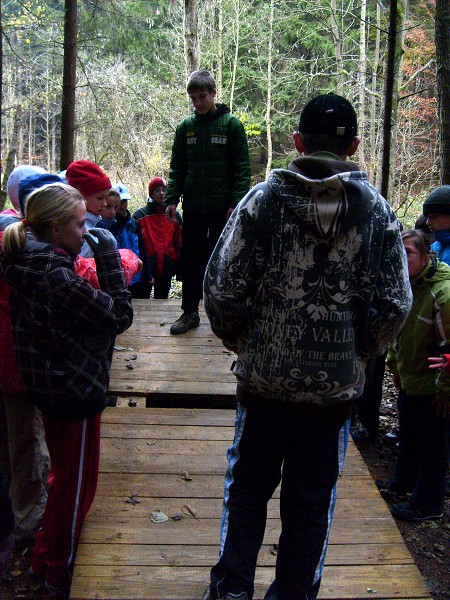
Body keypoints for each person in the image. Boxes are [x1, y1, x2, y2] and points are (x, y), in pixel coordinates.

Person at [202, 92, 412, 600]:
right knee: (312, 501)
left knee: (247, 489)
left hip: (264, 384)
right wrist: (359, 353)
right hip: (333, 394)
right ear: (355, 145)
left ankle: (231, 590)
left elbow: (222, 287)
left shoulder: (261, 202)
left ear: (297, 141)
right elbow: (396, 303)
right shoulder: (378, 214)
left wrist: (243, 342)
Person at [0, 183, 133, 599]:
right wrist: (108, 254)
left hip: (49, 384)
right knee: (75, 487)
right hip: (74, 391)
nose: (86, 231)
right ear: (55, 229)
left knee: (63, 480)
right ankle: (58, 571)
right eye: (79, 225)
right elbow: (120, 314)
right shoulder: (56, 277)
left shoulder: (24, 260)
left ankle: (44, 555)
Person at [165, 69, 251, 333]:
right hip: (193, 208)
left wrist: (235, 202)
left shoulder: (232, 125)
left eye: (202, 96)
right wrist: (171, 199)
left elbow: (241, 169)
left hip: (221, 211)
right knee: (190, 260)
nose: (198, 103)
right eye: (193, 98)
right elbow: (177, 167)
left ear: (213, 93)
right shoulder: (185, 128)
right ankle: (189, 313)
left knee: (222, 261)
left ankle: (221, 315)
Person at [379, 229, 449, 522]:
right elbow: (398, 330)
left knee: (434, 445)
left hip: (435, 388)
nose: (400, 259)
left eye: (407, 253)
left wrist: (446, 390)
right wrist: (395, 366)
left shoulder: (442, 294)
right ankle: (402, 483)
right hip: (411, 380)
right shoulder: (405, 285)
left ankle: (428, 505)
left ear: (425, 255)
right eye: (397, 252)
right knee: (409, 433)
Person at [133, 177, 182, 299]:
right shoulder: (140, 216)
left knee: (162, 301)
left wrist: (178, 265)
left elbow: (179, 242)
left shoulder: (174, 216)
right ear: (151, 193)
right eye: (157, 190)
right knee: (141, 301)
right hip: (146, 267)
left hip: (167, 265)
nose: (161, 193)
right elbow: (135, 244)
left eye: (164, 190)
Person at [65, 160, 112, 258]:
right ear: (80, 195)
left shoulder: (90, 223)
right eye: (99, 198)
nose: (104, 204)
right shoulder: (77, 232)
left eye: (105, 198)